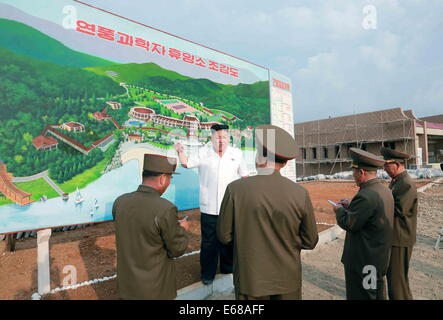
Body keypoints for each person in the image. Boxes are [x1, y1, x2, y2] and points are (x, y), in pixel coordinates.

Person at [217, 124, 318, 300]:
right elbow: (310, 241)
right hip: (287, 279)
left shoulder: (235, 189)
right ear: (285, 162)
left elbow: (224, 236)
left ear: (259, 157)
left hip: (251, 279)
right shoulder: (299, 193)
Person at [174, 124, 249, 285]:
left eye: (224, 137)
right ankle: (207, 274)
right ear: (211, 138)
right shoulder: (203, 152)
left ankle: (227, 269)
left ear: (229, 138)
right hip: (209, 207)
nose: (221, 140)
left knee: (228, 240)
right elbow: (186, 163)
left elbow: (245, 177)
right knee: (209, 243)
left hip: (230, 207)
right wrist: (180, 151)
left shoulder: (236, 153)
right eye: (217, 137)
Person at [112, 153, 189, 300]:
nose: (168, 183)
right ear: (162, 179)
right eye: (169, 178)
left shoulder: (120, 202)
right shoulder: (165, 209)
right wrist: (183, 229)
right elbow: (177, 249)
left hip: (127, 288)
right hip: (155, 291)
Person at [333, 148, 394, 300]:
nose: (352, 175)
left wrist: (339, 210)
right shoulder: (382, 190)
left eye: (354, 172)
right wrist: (350, 208)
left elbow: (350, 223)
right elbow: (368, 217)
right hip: (376, 257)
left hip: (364, 261)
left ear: (361, 172)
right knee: (375, 294)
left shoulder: (366, 194)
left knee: (363, 295)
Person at [380, 147, 417, 300]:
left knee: (397, 280)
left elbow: (399, 210)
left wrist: (376, 206)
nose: (385, 169)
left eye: (387, 166)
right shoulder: (397, 181)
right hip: (396, 237)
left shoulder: (406, 183)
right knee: (395, 278)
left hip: (401, 238)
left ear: (396, 164)